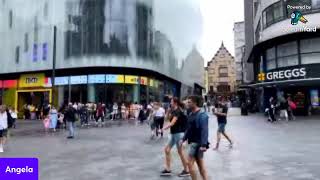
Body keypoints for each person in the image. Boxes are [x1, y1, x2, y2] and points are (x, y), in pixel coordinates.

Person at [181, 95, 209, 180]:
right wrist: (183, 139)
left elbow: (204, 130)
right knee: (200, 165)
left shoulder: (202, 115)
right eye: (187, 102)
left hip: (198, 143)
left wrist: (204, 144)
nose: (188, 103)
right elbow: (189, 128)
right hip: (193, 141)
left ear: (195, 103)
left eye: (189, 102)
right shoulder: (191, 113)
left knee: (189, 163)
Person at [160, 97, 189, 177]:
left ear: (175, 103)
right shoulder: (173, 110)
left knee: (181, 152)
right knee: (167, 150)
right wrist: (168, 112)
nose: (170, 103)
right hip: (174, 133)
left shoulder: (178, 111)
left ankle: (186, 170)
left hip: (179, 134)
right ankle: (168, 169)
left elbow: (172, 123)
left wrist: (162, 129)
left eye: (171, 102)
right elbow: (167, 119)